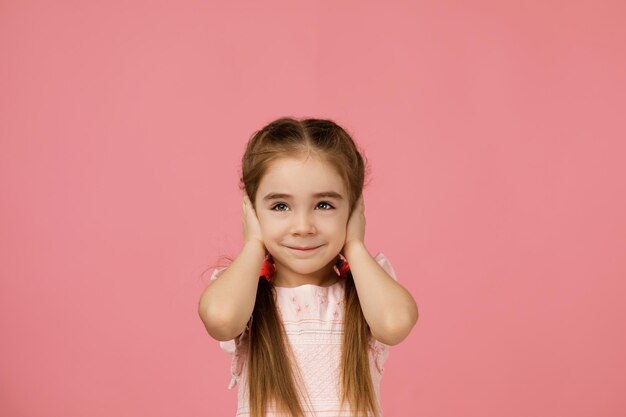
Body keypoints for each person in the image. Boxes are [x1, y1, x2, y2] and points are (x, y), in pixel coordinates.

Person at [198, 117, 418, 417]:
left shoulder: (364, 290)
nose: (302, 227)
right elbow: (220, 319)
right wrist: (253, 245)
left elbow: (395, 324)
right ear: (252, 211)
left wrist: (354, 245)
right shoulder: (247, 293)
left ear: (353, 210)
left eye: (324, 205)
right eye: (280, 206)